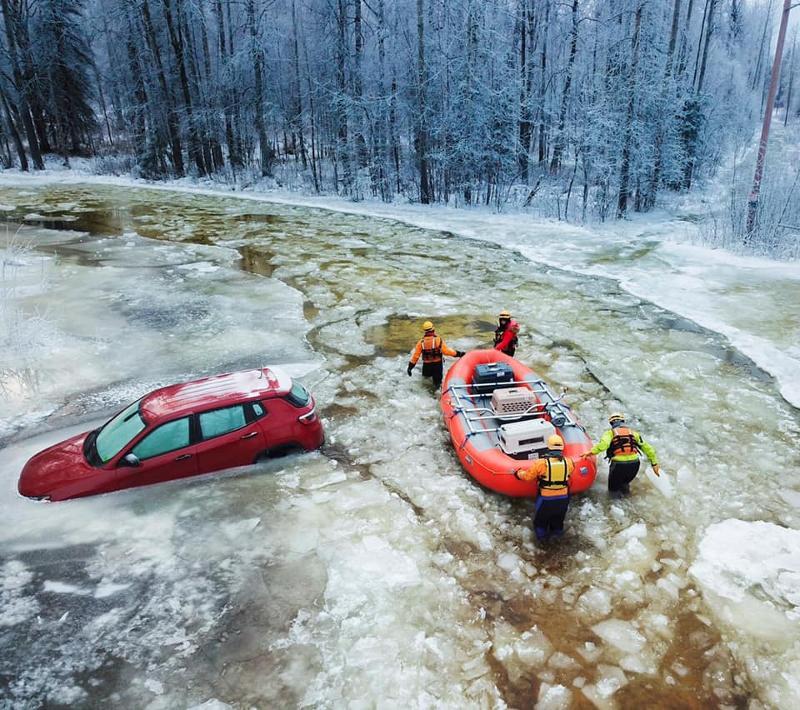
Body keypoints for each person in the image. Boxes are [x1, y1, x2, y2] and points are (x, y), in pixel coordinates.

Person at [583, 413, 660, 494]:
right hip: (634, 465)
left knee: (613, 491)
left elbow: (603, 445)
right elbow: (649, 449)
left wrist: (590, 452)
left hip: (618, 465)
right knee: (625, 485)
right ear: (623, 421)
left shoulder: (610, 433)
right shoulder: (633, 433)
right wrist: (654, 464)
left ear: (611, 423)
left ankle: (614, 505)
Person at [515, 434, 573, 542]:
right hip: (563, 498)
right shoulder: (569, 462)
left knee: (541, 522)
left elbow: (528, 477)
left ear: (548, 447)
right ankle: (558, 540)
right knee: (558, 521)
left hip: (546, 498)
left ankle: (542, 543)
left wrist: (518, 473)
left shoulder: (541, 463)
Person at [407, 321, 464, 388]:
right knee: (437, 385)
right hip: (437, 366)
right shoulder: (438, 340)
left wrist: (410, 368)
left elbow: (415, 357)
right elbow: (446, 351)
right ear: (433, 330)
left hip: (427, 367)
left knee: (426, 384)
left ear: (425, 331)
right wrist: (459, 354)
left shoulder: (421, 343)